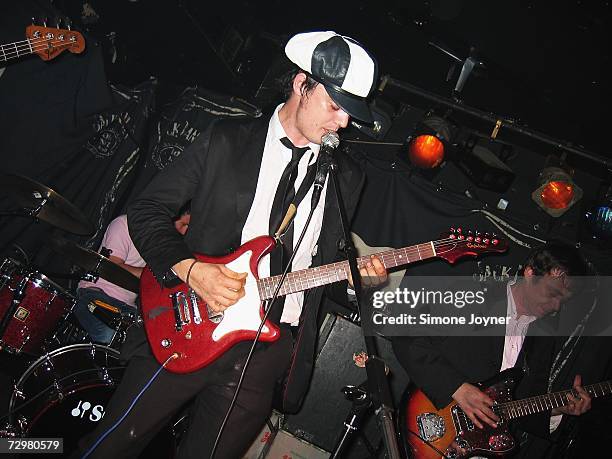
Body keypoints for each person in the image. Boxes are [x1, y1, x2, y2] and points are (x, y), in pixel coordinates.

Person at [76, 31, 387, 459]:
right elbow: (147, 209)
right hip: (192, 320)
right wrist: (190, 268)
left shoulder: (348, 177)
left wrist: (357, 282)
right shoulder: (226, 139)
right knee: (111, 447)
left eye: (350, 113)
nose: (343, 124)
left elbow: (319, 269)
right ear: (302, 85)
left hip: (269, 350)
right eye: (335, 107)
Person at [392, 242, 593, 457]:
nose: (556, 306)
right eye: (553, 293)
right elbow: (406, 337)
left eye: (563, 300)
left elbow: (521, 403)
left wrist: (557, 409)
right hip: (431, 425)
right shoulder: (474, 295)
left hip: (480, 449)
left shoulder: (543, 338)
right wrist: (457, 388)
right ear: (529, 273)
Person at [72, 205, 191, 344]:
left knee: (156, 342)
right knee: (108, 334)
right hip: (95, 295)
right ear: (170, 215)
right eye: (183, 224)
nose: (183, 232)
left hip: (128, 308)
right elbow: (111, 266)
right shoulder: (124, 225)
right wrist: (151, 276)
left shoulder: (166, 245)